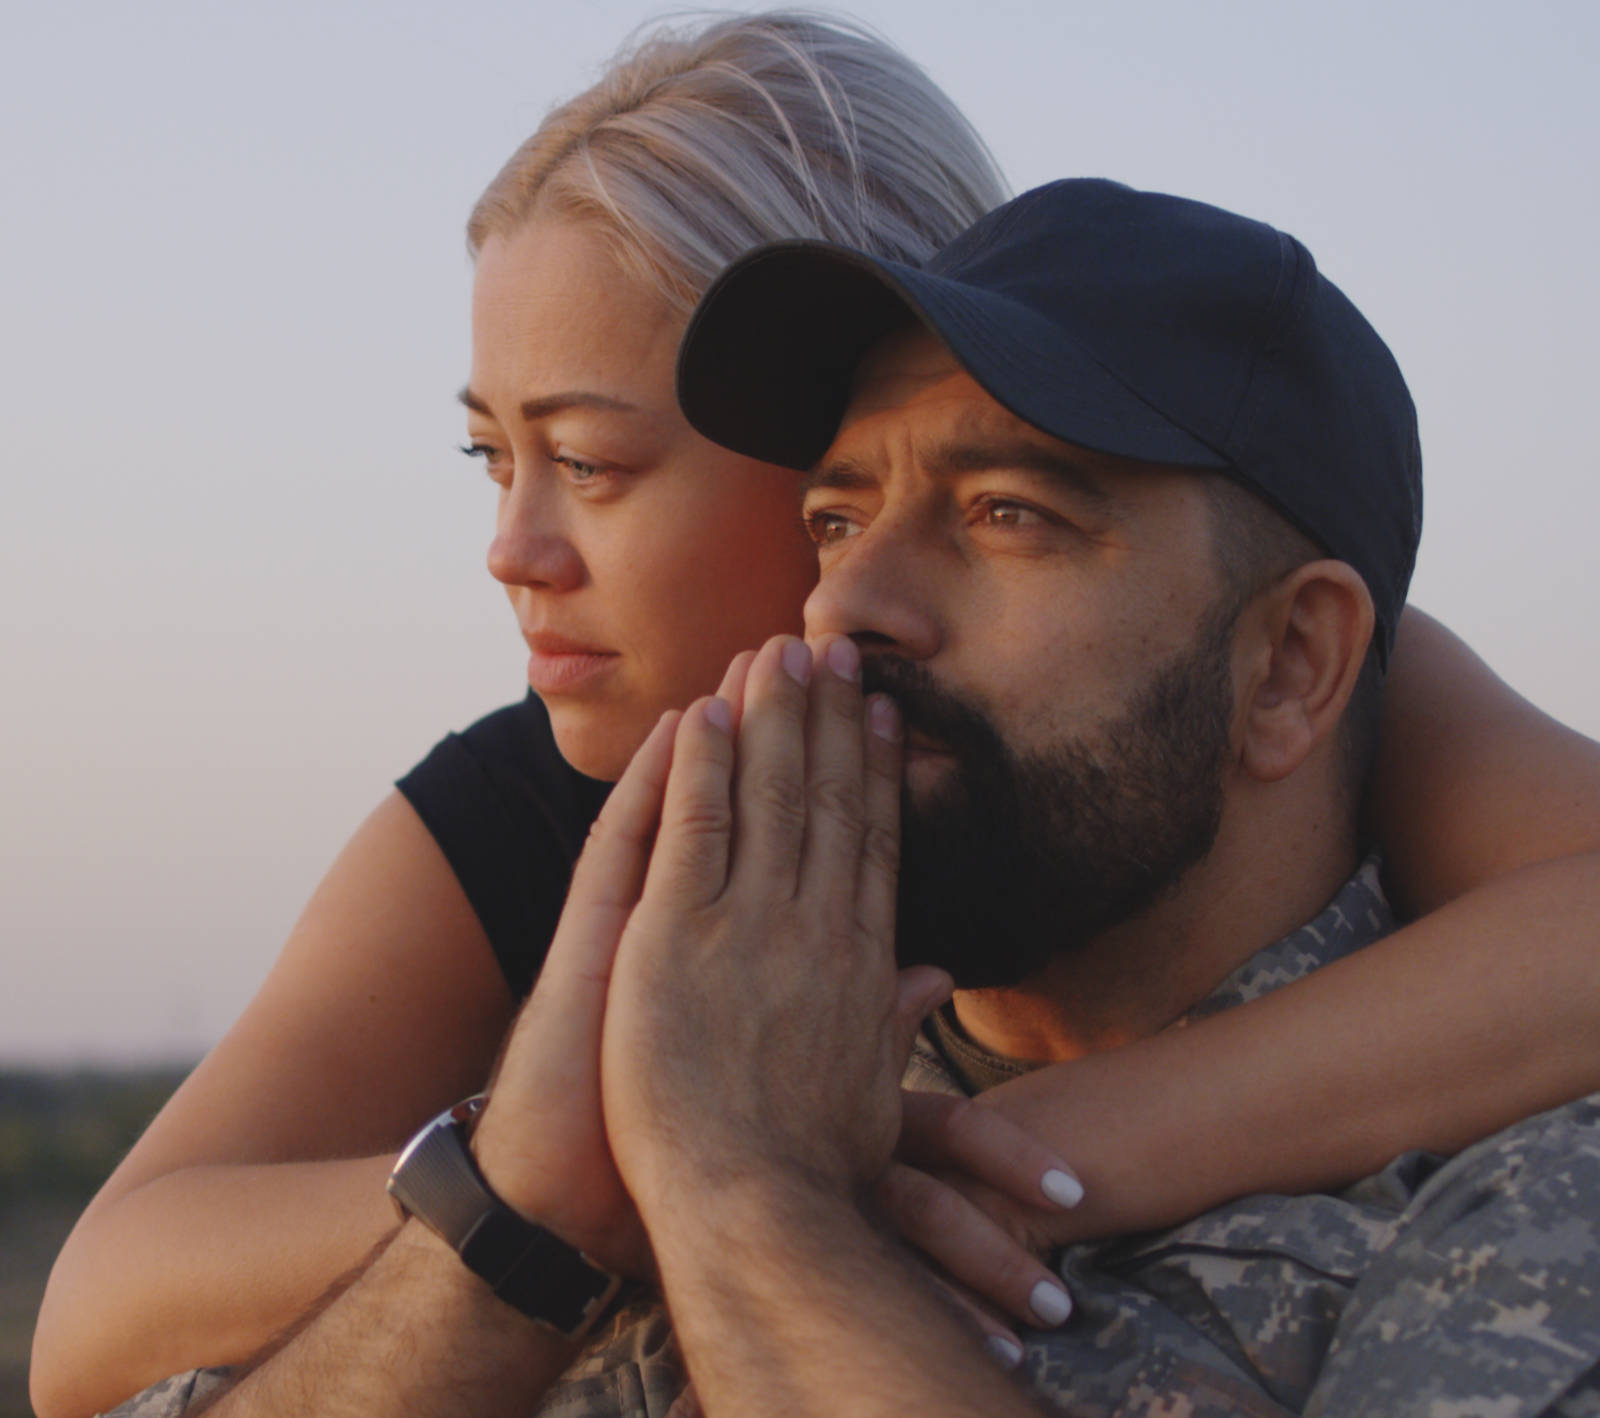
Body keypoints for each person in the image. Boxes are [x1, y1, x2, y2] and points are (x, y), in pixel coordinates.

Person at [30, 15, 1600, 1418]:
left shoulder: (1348, 703)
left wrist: (815, 1172)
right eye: (850, 511)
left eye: (593, 461)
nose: (511, 547)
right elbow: (103, 1316)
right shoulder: (546, 811)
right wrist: (551, 1183)